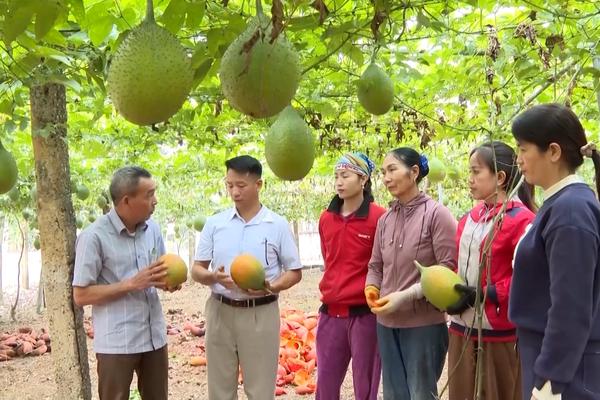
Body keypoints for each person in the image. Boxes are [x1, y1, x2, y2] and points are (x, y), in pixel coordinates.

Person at [192, 155, 303, 400]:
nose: (234, 192)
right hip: (220, 311)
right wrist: (213, 277)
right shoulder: (215, 223)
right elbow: (196, 270)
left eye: (240, 185)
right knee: (220, 390)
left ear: (259, 185)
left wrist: (270, 287)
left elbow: (295, 272)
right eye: (229, 185)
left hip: (260, 313)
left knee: (260, 390)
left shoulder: (277, 224)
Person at [508, 104, 600, 400]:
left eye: (523, 149)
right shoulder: (558, 204)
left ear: (554, 152)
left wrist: (551, 380)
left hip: (568, 370)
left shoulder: (571, 211)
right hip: (552, 356)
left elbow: (570, 306)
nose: (519, 160)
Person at [73, 166, 177, 400]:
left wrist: (167, 282)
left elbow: (159, 273)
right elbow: (81, 295)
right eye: (149, 194)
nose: (155, 201)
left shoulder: (154, 230)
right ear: (127, 201)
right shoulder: (94, 237)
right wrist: (131, 284)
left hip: (154, 339)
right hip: (117, 344)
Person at [366, 147, 457, 399]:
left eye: (392, 169)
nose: (386, 178)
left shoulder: (437, 215)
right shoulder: (385, 220)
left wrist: (404, 297)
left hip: (423, 326)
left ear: (414, 172)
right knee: (394, 395)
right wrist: (371, 288)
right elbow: (375, 265)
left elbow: (447, 270)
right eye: (383, 172)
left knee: (421, 395)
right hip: (386, 324)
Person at [446, 141, 535, 400]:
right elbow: (457, 267)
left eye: (476, 172)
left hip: (499, 334)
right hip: (461, 328)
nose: (470, 179)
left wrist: (486, 293)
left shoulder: (522, 220)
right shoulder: (468, 219)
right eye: (469, 172)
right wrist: (448, 296)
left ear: (500, 177)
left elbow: (526, 281)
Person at [316, 152, 386, 400]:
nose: (339, 182)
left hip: (364, 315)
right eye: (336, 176)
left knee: (365, 385)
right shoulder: (326, 218)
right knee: (325, 383)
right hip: (330, 313)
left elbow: (382, 265)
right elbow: (329, 259)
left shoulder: (379, 217)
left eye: (345, 176)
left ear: (363, 180)